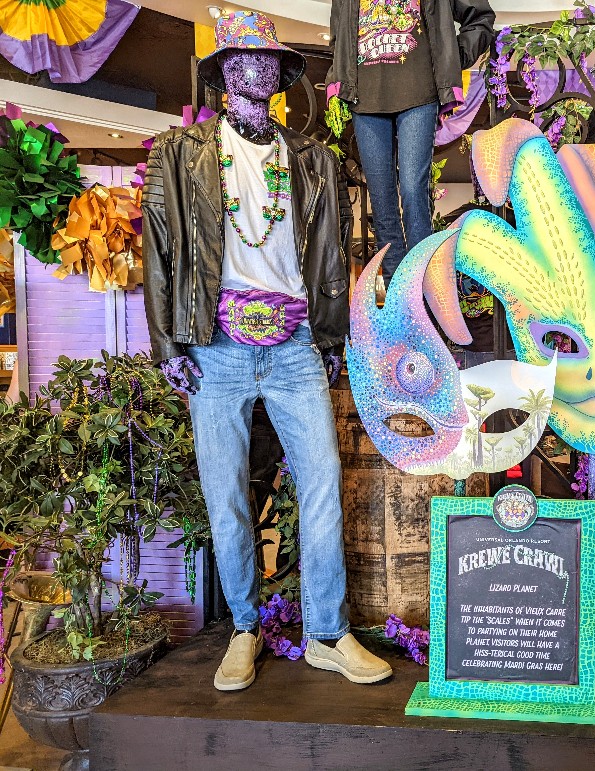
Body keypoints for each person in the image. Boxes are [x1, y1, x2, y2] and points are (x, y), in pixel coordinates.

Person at [142, 10, 391, 691]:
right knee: (225, 496)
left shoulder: (311, 158)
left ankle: (327, 634)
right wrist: (168, 341)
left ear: (281, 76)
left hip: (295, 344)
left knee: (322, 485)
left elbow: (333, 255)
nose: (254, 68)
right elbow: (160, 248)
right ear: (222, 71)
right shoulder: (180, 154)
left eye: (267, 60)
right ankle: (245, 628)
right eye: (240, 58)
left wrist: (333, 331)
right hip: (215, 347)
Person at [326, 0, 495, 285]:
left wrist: (454, 56)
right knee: (381, 203)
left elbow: (480, 16)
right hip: (364, 96)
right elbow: (338, 35)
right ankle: (397, 296)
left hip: (420, 91)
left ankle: (422, 290)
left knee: (414, 192)